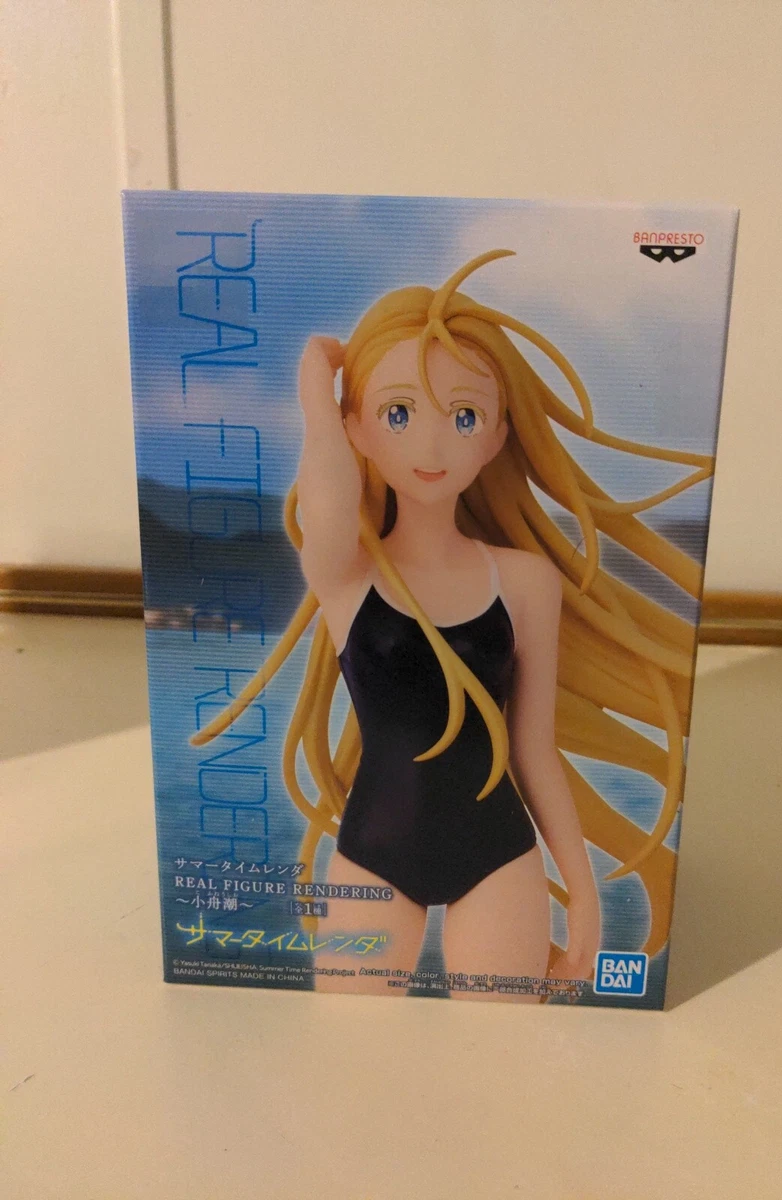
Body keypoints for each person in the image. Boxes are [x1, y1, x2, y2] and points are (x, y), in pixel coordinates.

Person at [194, 250, 713, 1001]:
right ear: (357, 430)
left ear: (497, 435)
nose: (431, 446)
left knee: (501, 1052)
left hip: (498, 857)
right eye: (398, 414)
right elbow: (330, 508)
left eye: (463, 415)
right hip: (373, 857)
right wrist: (314, 388)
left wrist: (585, 892)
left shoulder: (525, 581)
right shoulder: (348, 577)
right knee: (347, 1049)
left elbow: (533, 748)